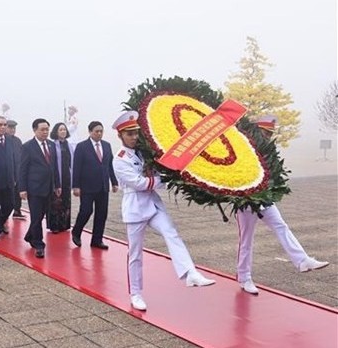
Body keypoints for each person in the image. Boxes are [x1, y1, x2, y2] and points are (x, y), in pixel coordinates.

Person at [111, 110, 216, 311]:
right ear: (120, 136)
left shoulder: (145, 151)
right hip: (135, 208)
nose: (134, 137)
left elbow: (158, 172)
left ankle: (190, 273)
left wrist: (161, 177)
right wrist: (159, 180)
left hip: (153, 204)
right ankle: (136, 293)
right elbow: (139, 183)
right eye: (129, 134)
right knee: (135, 254)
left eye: (135, 133)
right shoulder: (119, 159)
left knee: (171, 233)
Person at [235, 115, 329, 295]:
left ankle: (302, 260)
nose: (268, 136)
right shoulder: (244, 148)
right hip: (246, 201)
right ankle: (244, 277)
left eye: (270, 133)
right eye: (266, 132)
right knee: (246, 240)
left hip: (265, 199)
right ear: (257, 130)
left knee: (281, 226)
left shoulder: (268, 151)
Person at [71, 121, 118, 249]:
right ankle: (76, 231)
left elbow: (109, 165)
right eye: (96, 131)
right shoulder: (82, 147)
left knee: (102, 213)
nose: (99, 134)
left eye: (101, 131)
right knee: (86, 211)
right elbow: (77, 167)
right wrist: (75, 186)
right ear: (90, 132)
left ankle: (97, 240)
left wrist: (114, 182)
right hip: (87, 186)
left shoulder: (107, 146)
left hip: (103, 186)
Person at [19, 118, 61, 258]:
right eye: (42, 130)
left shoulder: (51, 145)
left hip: (49, 187)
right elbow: (22, 169)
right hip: (34, 188)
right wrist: (22, 188)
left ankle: (30, 235)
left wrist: (57, 184)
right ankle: (38, 244)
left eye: (47, 129)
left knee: (42, 215)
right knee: (36, 216)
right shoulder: (27, 147)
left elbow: (54, 167)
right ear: (35, 130)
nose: (45, 132)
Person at [47, 122, 74, 233]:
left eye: (64, 129)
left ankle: (64, 225)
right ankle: (55, 226)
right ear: (56, 132)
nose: (63, 131)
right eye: (60, 130)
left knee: (66, 201)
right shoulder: (52, 145)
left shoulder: (69, 145)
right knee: (56, 202)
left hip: (67, 176)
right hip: (56, 176)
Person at [6, 120, 25, 220]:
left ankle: (17, 210)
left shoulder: (18, 141)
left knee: (18, 191)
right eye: (10, 127)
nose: (12, 130)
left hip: (18, 170)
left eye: (14, 128)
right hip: (8, 171)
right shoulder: (4, 140)